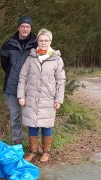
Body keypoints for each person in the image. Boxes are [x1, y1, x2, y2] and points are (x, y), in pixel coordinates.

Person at [17, 28, 66, 163]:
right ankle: (33, 151)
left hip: (48, 99)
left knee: (46, 126)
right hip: (31, 98)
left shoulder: (57, 60)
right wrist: (21, 95)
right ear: (37, 41)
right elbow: (22, 77)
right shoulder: (31, 58)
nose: (43, 42)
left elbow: (61, 81)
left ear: (50, 41)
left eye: (46, 40)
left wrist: (59, 99)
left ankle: (46, 152)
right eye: (41, 40)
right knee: (32, 125)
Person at [0, 15, 37, 145]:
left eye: (28, 26)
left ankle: (34, 144)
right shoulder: (9, 43)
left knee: (32, 116)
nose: (25, 29)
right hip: (11, 87)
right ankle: (18, 142)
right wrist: (13, 73)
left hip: (30, 87)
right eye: (23, 26)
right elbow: (4, 63)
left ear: (31, 28)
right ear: (18, 27)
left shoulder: (36, 43)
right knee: (15, 116)